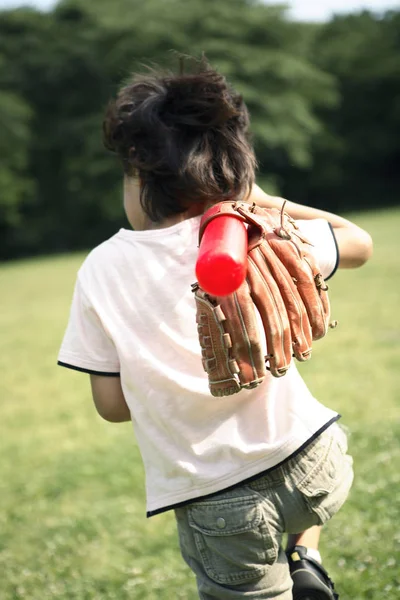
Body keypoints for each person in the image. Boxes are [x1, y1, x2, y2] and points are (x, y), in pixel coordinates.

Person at [58, 58, 373, 599]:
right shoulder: (262, 233)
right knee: (307, 497)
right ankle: (307, 552)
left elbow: (111, 406)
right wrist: (259, 203)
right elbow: (358, 242)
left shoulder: (101, 269)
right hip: (314, 462)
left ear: (138, 172)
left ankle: (291, 571)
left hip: (217, 500)